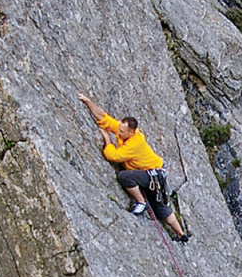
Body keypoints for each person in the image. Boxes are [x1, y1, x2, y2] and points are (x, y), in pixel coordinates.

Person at [79, 92, 190, 242]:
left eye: (122, 131)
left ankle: (141, 202)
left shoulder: (134, 144)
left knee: (125, 177)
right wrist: (88, 102)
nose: (118, 132)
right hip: (154, 174)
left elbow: (114, 156)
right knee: (159, 204)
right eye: (119, 129)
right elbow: (104, 118)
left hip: (152, 174)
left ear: (131, 132)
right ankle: (181, 233)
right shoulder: (125, 132)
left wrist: (108, 141)